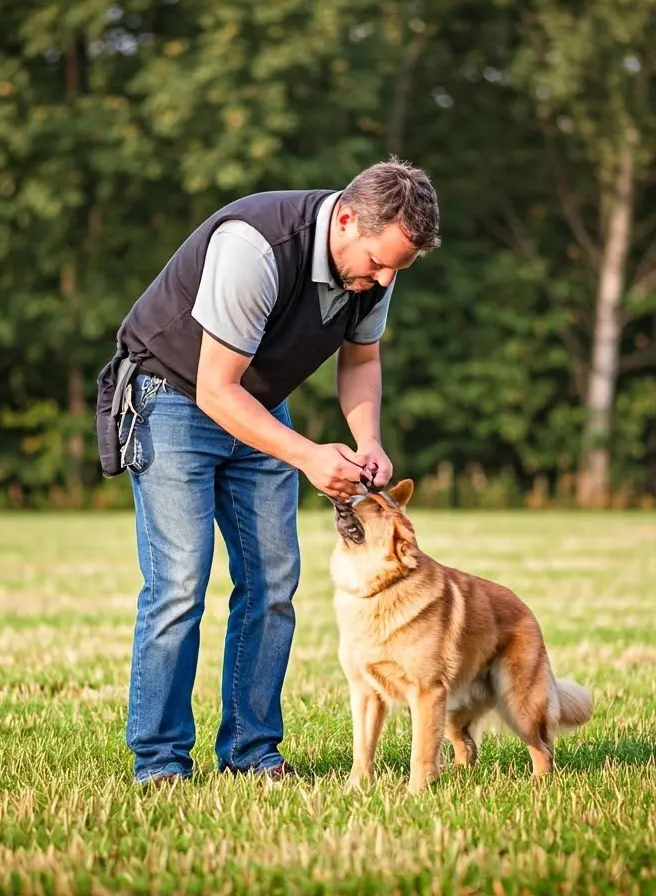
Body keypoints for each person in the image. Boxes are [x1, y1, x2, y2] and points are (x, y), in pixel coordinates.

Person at [94, 157, 441, 785]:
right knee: (179, 583)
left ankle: (252, 752)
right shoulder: (255, 247)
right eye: (379, 262)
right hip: (173, 394)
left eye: (400, 267)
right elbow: (215, 389)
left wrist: (368, 441)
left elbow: (360, 362)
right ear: (345, 219)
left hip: (256, 401)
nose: (385, 278)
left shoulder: (375, 271)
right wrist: (309, 455)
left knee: (273, 582)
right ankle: (161, 762)